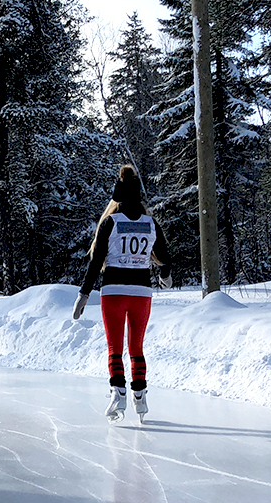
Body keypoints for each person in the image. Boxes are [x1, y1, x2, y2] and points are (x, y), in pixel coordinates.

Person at [73, 165, 171, 423]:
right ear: (138, 196)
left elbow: (96, 262)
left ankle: (118, 395)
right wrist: (165, 275)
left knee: (115, 348)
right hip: (141, 293)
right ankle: (140, 395)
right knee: (136, 347)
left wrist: (84, 293)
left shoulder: (110, 222)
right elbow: (164, 256)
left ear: (117, 197)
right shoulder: (151, 223)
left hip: (114, 291)